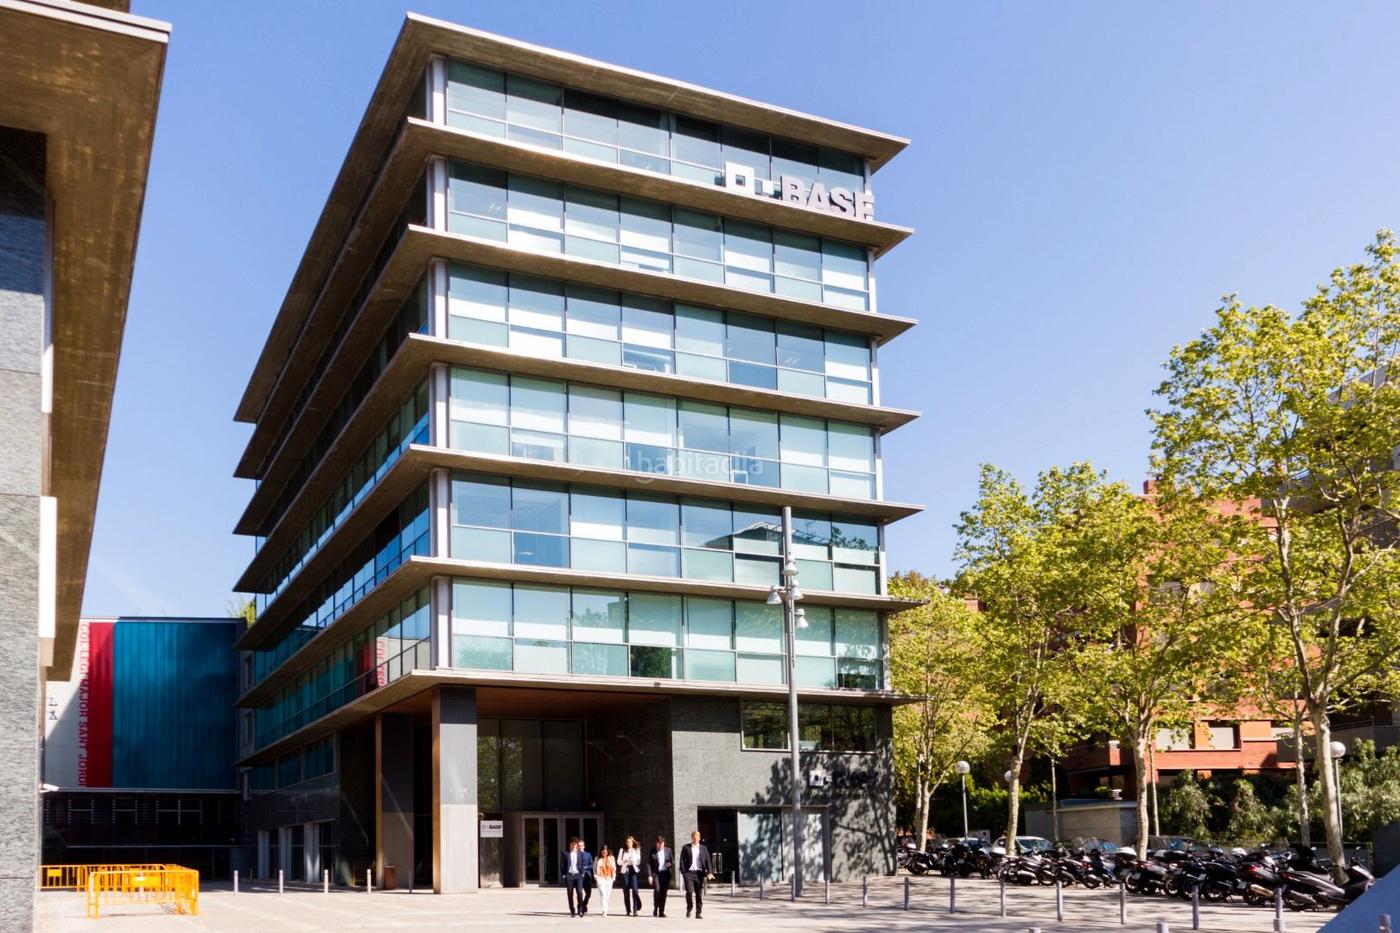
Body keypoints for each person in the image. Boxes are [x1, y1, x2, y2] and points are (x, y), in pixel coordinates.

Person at [680, 830, 711, 920]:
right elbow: (682, 860)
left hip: (699, 873)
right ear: (692, 838)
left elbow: (708, 860)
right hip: (688, 873)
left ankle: (698, 912)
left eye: (697, 838)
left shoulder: (704, 848)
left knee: (699, 894)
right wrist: (683, 871)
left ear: (699, 838)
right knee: (689, 892)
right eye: (694, 838)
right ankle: (689, 907)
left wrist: (709, 872)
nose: (695, 839)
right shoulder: (686, 847)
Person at [561, 836, 593, 917]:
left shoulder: (580, 853)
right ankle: (572, 910)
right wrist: (564, 874)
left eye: (575, 844)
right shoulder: (565, 853)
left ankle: (580, 910)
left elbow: (583, 864)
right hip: (569, 875)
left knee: (580, 892)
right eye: (572, 844)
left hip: (578, 875)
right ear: (570, 844)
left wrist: (582, 874)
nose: (574, 846)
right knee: (570, 893)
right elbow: (562, 865)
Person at [617, 835, 644, 917]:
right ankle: (628, 910)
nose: (628, 843)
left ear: (633, 842)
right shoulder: (622, 850)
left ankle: (635, 910)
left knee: (635, 890)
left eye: (630, 842)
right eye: (627, 842)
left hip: (633, 870)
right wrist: (623, 861)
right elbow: (618, 861)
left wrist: (633, 860)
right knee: (626, 890)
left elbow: (638, 862)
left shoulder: (636, 850)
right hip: (625, 870)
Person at [649, 834, 674, 917]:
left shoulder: (668, 850)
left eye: (662, 843)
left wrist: (668, 864)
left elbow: (671, 861)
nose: (661, 845)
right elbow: (649, 863)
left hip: (665, 874)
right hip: (656, 874)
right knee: (657, 890)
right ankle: (656, 907)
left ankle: (661, 911)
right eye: (659, 843)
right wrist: (649, 875)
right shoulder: (652, 851)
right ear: (656, 843)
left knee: (664, 893)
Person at [594, 845, 617, 917]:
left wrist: (613, 877)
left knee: (607, 895)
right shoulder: (597, 858)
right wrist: (596, 877)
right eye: (603, 851)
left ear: (607, 852)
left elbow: (614, 868)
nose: (604, 852)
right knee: (603, 894)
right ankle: (604, 910)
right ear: (601, 852)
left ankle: (605, 908)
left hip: (609, 878)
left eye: (605, 851)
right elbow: (594, 868)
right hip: (601, 878)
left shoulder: (611, 858)